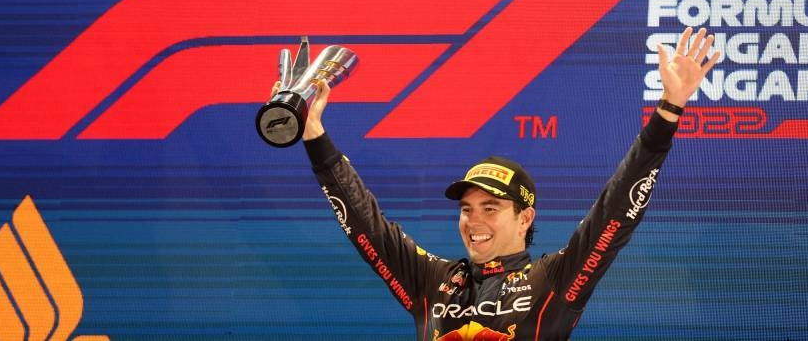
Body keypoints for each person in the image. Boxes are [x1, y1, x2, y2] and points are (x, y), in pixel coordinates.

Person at [291, 27, 720, 340]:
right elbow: (365, 223)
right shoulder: (432, 281)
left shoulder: (553, 281)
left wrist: (668, 111)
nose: (473, 220)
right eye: (467, 209)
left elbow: (616, 210)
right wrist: (314, 134)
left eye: (490, 208)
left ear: (525, 217)